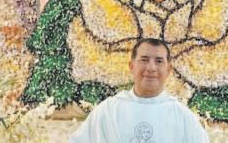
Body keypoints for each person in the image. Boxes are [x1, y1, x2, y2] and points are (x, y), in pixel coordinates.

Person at [69, 39, 209, 142]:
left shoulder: (182, 116)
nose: (151, 68)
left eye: (159, 61)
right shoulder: (108, 111)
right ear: (131, 66)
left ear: (168, 70)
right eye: (144, 60)